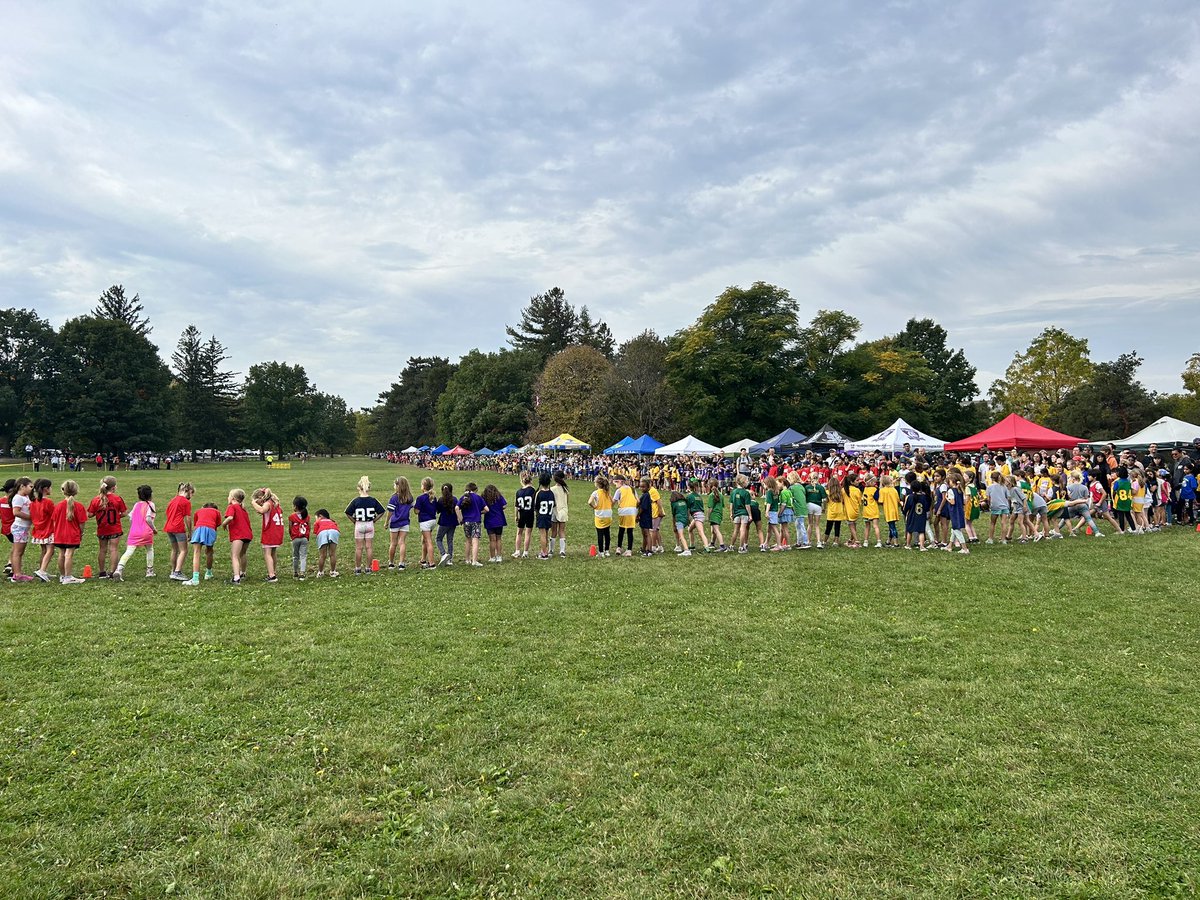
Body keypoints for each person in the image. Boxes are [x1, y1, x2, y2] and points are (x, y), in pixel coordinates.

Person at [112, 484, 156, 580]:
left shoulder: (137, 504)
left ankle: (119, 569)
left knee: (129, 551)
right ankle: (150, 570)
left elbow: (131, 517)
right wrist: (153, 529)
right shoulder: (151, 504)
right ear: (150, 495)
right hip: (146, 532)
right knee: (149, 549)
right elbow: (148, 519)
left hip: (134, 531)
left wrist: (134, 526)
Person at [88, 476, 128, 578]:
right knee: (114, 549)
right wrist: (117, 516)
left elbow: (90, 514)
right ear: (113, 488)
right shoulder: (117, 499)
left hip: (102, 528)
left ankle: (102, 572)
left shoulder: (96, 499)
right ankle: (112, 571)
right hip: (114, 528)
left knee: (102, 549)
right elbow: (124, 513)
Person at [50, 479, 88, 582]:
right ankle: (68, 577)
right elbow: (82, 523)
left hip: (59, 534)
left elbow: (54, 521)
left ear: (63, 491)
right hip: (72, 534)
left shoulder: (58, 506)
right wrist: (81, 533)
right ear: (76, 491)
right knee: (68, 554)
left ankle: (63, 575)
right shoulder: (79, 506)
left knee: (61, 554)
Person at [345, 476, 385, 575]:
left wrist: (354, 521)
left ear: (358, 488)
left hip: (359, 524)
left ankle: (358, 568)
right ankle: (368, 568)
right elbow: (381, 511)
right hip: (369, 524)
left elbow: (347, 512)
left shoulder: (356, 501)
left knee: (359, 548)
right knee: (369, 547)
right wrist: (375, 520)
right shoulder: (373, 500)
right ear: (369, 488)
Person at [181, 502, 222, 585]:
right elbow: (217, 525)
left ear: (203, 507)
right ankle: (208, 573)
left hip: (199, 529)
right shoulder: (217, 512)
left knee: (196, 552)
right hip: (211, 530)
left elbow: (196, 524)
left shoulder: (198, 511)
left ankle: (195, 578)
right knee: (209, 551)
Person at [164, 482, 195, 581]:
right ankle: (177, 572)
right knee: (183, 550)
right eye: (192, 493)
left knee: (174, 550)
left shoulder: (172, 500)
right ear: (188, 491)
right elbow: (188, 518)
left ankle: (173, 571)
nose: (192, 495)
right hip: (178, 528)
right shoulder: (186, 502)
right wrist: (190, 532)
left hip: (169, 527)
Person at [222, 488, 253, 583]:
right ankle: (243, 572)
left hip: (238, 535)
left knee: (234, 555)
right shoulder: (243, 509)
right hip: (247, 535)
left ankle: (236, 577)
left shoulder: (232, 507)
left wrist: (224, 524)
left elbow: (230, 517)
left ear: (233, 498)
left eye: (229, 496)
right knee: (242, 554)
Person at [29, 478, 56, 582]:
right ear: (46, 489)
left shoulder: (33, 502)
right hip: (48, 529)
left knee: (44, 550)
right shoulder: (48, 502)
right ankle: (42, 570)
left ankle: (42, 569)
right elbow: (54, 516)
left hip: (38, 530)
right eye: (50, 487)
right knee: (50, 550)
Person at [385, 477, 413, 570]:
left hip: (394, 523)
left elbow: (390, 511)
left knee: (393, 543)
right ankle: (401, 563)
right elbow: (412, 506)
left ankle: (391, 563)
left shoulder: (394, 498)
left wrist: (386, 522)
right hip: (405, 522)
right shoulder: (409, 497)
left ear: (398, 486)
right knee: (402, 542)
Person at [8, 478, 33, 582]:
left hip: (23, 528)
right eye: (30, 486)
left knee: (19, 551)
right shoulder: (18, 498)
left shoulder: (25, 497)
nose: (32, 489)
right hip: (20, 527)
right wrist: (31, 517)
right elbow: (16, 512)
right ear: (22, 486)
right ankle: (17, 574)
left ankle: (15, 573)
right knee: (18, 552)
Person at [434, 482, 462, 566]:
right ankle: (450, 559)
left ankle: (443, 554)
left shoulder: (441, 500)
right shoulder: (455, 499)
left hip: (443, 522)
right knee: (450, 540)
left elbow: (438, 511)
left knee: (438, 539)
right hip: (453, 522)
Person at [612, 474, 637, 557]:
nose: (615, 484)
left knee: (621, 529)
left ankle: (618, 548)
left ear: (620, 482)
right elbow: (638, 501)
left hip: (623, 511)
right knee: (630, 531)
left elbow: (613, 502)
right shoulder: (632, 489)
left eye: (615, 482)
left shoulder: (619, 490)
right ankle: (629, 550)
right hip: (633, 511)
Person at [459, 482, 484, 567]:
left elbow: (456, 508)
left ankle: (467, 559)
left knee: (468, 540)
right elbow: (486, 509)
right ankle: (474, 560)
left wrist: (460, 519)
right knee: (475, 540)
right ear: (475, 489)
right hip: (476, 521)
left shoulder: (464, 497)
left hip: (466, 521)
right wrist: (479, 512)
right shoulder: (478, 497)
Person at [903, 474, 930, 550]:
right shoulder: (924, 497)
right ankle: (922, 546)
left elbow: (906, 507)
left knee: (910, 531)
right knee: (921, 531)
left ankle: (908, 545)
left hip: (911, 516)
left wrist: (904, 512)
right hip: (921, 516)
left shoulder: (910, 497)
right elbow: (926, 507)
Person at [588, 474, 613, 558]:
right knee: (607, 533)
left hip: (600, 515)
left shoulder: (595, 493)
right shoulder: (607, 492)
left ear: (597, 484)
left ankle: (601, 552)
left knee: (600, 534)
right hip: (608, 515)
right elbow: (612, 501)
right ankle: (607, 551)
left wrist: (594, 506)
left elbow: (589, 502)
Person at [482, 484, 507, 563]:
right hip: (499, 520)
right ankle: (499, 556)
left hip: (489, 521)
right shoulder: (498, 496)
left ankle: (492, 557)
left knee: (492, 540)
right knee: (498, 539)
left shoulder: (484, 498)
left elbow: (483, 507)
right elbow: (505, 505)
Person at [513, 472, 535, 559]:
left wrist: (516, 516)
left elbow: (516, 505)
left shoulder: (519, 492)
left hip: (521, 513)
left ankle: (517, 551)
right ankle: (525, 552)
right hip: (529, 513)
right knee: (528, 533)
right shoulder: (533, 490)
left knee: (519, 533)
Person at [534, 473, 556, 560]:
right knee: (546, 534)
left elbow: (536, 506)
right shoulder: (551, 493)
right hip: (549, 515)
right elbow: (554, 504)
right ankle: (544, 550)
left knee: (543, 535)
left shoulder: (539, 493)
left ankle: (544, 553)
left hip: (541, 516)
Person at [313, 509, 340, 577]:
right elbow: (336, 527)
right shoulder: (332, 521)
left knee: (322, 555)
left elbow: (316, 532)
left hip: (322, 532)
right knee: (332, 553)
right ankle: (333, 571)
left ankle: (320, 572)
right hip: (334, 531)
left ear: (320, 516)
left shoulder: (318, 522)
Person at [289, 495, 311, 578]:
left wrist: (292, 536)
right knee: (303, 556)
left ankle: (295, 572)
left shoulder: (292, 517)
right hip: (304, 538)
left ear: (295, 506)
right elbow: (309, 527)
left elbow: (290, 528)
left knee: (295, 556)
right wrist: (307, 537)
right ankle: (302, 572)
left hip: (295, 538)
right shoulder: (307, 516)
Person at [730, 474, 752, 553]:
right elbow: (747, 505)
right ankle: (741, 547)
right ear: (743, 482)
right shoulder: (746, 493)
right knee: (742, 530)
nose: (747, 482)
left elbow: (731, 504)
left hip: (736, 513)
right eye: (746, 481)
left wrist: (731, 513)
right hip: (744, 514)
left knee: (735, 530)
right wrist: (750, 515)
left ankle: (731, 546)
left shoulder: (733, 492)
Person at [551, 471, 570, 558]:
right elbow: (567, 501)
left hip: (555, 511)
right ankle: (562, 551)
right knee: (562, 531)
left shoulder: (552, 489)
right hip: (563, 511)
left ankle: (551, 550)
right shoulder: (565, 488)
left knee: (553, 531)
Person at [879, 474, 901, 548]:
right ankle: (888, 541)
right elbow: (898, 500)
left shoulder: (882, 490)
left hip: (888, 510)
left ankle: (895, 542)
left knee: (892, 527)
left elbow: (880, 501)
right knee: (891, 526)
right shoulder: (894, 490)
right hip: (894, 510)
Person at [707, 479, 728, 552]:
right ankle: (712, 543)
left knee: (716, 530)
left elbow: (710, 508)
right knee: (713, 530)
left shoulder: (711, 495)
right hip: (719, 514)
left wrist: (708, 516)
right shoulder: (721, 495)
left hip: (714, 514)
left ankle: (722, 546)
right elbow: (722, 505)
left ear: (710, 486)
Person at [637, 477, 654, 556]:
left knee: (647, 533)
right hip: (643, 517)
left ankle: (649, 550)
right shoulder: (644, 495)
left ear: (648, 487)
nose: (641, 488)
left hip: (646, 517)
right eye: (641, 486)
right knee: (644, 534)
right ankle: (643, 549)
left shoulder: (646, 495)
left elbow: (642, 508)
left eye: (643, 487)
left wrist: (637, 515)